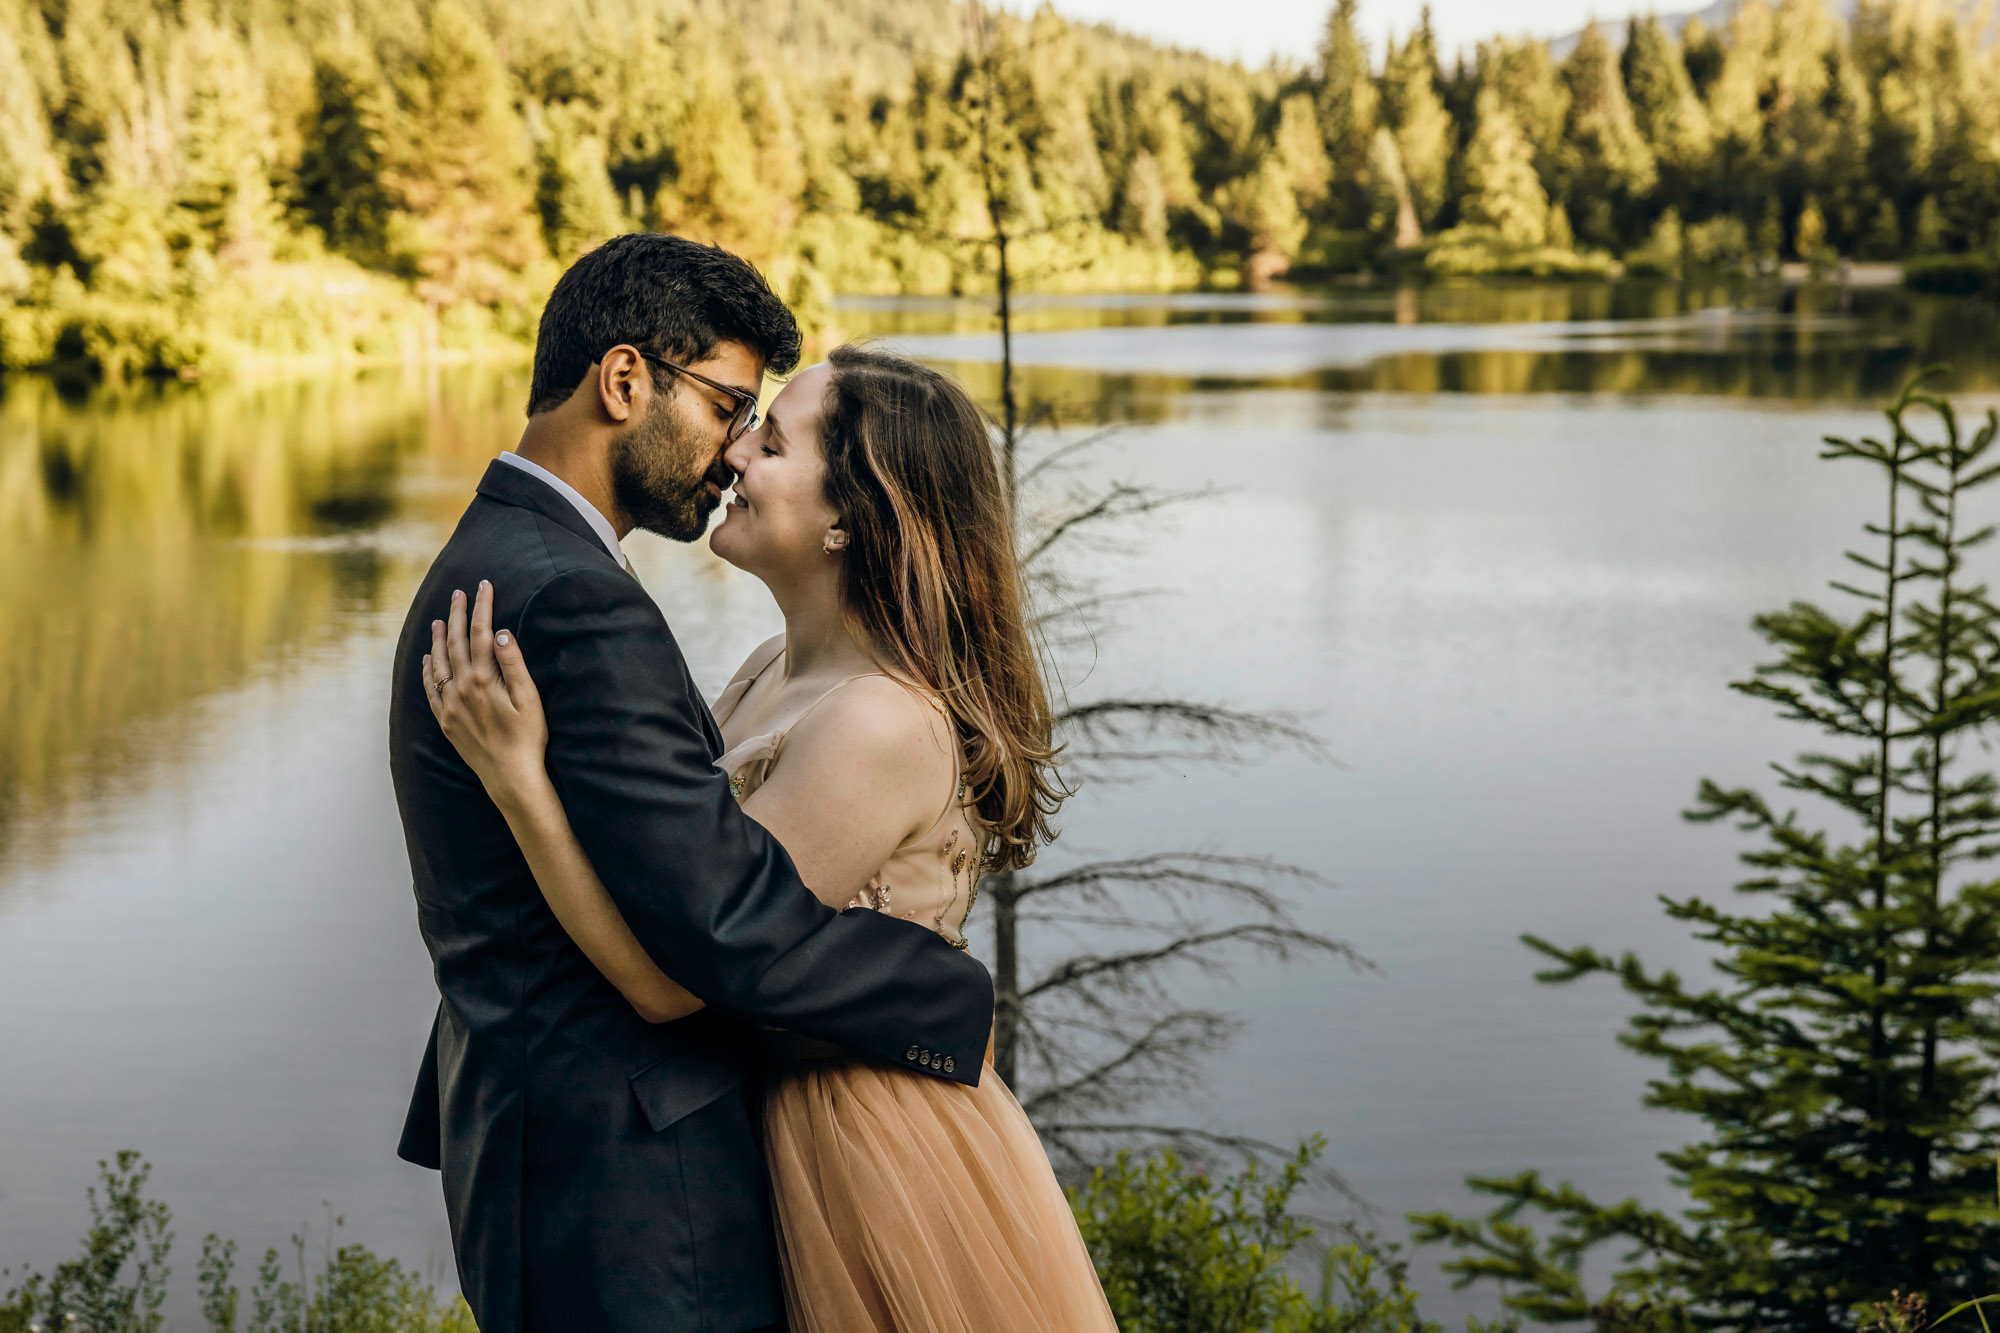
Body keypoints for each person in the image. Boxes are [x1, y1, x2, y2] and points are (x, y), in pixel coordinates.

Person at [422, 341, 1119, 1331]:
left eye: (773, 439)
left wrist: (517, 783)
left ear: (847, 516)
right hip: (765, 1113)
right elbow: (667, 886)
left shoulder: (876, 723)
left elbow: (675, 978)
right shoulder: (764, 670)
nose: (734, 456)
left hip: (861, 1144)